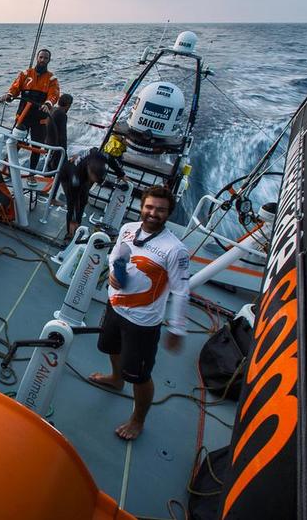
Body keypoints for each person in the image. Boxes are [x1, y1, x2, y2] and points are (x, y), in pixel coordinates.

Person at [88, 185, 189, 440]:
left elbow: (181, 291)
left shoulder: (175, 249)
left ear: (169, 214)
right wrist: (112, 271)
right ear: (142, 206)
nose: (154, 213)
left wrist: (177, 328)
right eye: (150, 207)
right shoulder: (128, 229)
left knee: (140, 376)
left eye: (161, 210)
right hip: (115, 306)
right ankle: (115, 378)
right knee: (111, 348)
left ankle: (137, 419)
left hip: (142, 323)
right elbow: (116, 256)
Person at [2, 49, 60, 172]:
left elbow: (54, 95)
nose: (43, 60)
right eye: (41, 57)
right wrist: (9, 95)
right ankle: (5, 168)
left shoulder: (52, 79)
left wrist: (48, 104)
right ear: (37, 58)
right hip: (23, 116)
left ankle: (31, 174)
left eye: (45, 58)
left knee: (36, 147)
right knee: (15, 142)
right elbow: (14, 88)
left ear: (49, 60)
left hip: (40, 119)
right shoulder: (25, 74)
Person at [60, 144, 126, 239]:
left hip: (85, 171)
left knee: (83, 200)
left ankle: (78, 225)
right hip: (67, 176)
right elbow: (73, 200)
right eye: (95, 179)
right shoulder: (76, 178)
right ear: (90, 172)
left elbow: (111, 160)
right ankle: (70, 233)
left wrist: (121, 174)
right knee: (74, 203)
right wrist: (73, 219)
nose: (95, 182)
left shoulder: (100, 157)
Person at [45, 93, 73, 172]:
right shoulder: (62, 114)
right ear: (68, 105)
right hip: (56, 147)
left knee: (50, 168)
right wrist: (64, 151)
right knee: (63, 171)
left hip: (47, 144)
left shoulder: (53, 109)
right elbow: (63, 135)